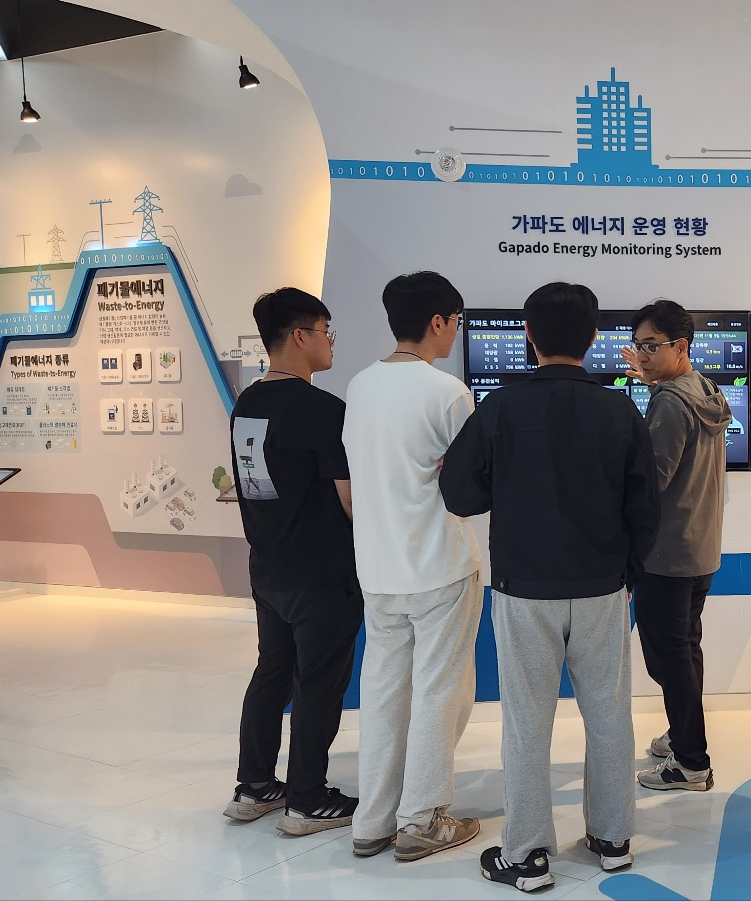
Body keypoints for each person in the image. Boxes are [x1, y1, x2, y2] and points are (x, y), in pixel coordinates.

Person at [441, 282, 660, 893]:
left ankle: (528, 854)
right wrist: (626, 574)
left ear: (529, 336)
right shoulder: (619, 410)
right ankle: (613, 840)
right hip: (602, 587)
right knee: (609, 715)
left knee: (526, 723)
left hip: (523, 587)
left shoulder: (500, 408)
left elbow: (459, 493)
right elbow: (647, 508)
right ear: (593, 337)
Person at [342, 271, 483, 862]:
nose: (456, 332)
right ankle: (422, 818)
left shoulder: (360, 386)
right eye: (455, 322)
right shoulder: (447, 392)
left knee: (381, 692)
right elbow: (471, 481)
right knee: (439, 692)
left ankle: (372, 820)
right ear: (437, 321)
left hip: (378, 569)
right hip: (440, 564)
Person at [225, 287, 361, 835]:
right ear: (301, 336)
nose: (331, 343)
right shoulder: (323, 410)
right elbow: (350, 499)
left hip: (269, 568)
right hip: (322, 573)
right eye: (327, 331)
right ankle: (307, 798)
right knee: (319, 683)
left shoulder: (246, 404)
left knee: (272, 673)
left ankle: (254, 785)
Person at [618, 299, 732, 792]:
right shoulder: (702, 388)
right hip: (699, 549)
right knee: (685, 650)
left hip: (666, 555)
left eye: (651, 346)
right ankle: (683, 735)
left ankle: (690, 761)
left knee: (668, 659)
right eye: (638, 346)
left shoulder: (669, 401)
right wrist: (651, 384)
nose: (641, 355)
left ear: (680, 346)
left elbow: (653, 480)